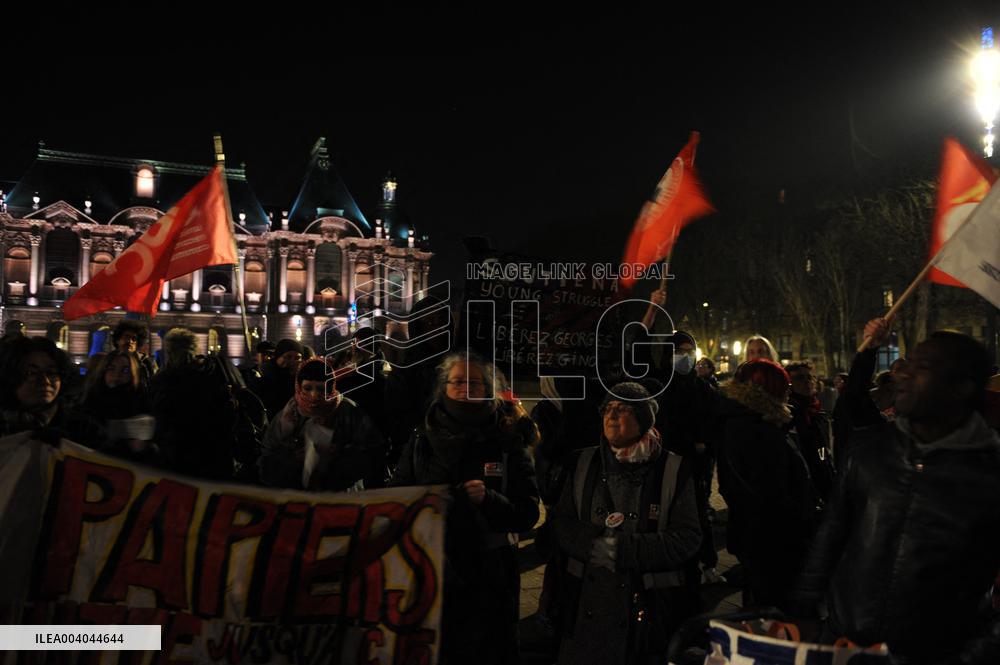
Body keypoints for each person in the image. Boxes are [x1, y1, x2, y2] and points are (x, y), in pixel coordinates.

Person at [794, 321, 1000, 662]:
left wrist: (967, 655)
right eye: (907, 362)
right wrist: (803, 615)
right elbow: (831, 536)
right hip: (842, 644)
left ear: (960, 388)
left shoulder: (989, 476)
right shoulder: (869, 450)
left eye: (923, 366)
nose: (902, 373)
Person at [391, 352, 539, 665]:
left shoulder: (509, 438)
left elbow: (528, 513)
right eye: (457, 381)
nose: (464, 388)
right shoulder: (423, 437)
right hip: (432, 568)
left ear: (489, 389)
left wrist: (489, 500)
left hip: (490, 573)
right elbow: (396, 497)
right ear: (443, 387)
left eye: (473, 382)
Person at [553, 381, 701, 665]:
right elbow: (563, 522)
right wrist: (594, 545)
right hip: (585, 604)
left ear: (644, 419)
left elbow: (688, 537)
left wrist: (628, 550)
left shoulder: (674, 469)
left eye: (622, 409)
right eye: (607, 408)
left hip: (649, 612)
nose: (611, 415)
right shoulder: (583, 462)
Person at [717, 359, 817, 611]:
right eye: (785, 386)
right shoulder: (757, 429)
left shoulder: (749, 421)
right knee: (771, 608)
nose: (789, 391)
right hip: (772, 539)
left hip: (759, 534)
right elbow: (772, 489)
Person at [258, 357, 385, 491]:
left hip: (342, 497)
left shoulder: (348, 411)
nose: (314, 395)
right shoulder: (287, 415)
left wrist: (336, 458)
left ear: (330, 387)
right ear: (299, 387)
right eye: (307, 388)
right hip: (295, 497)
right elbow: (268, 456)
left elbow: (373, 452)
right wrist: (294, 459)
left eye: (320, 388)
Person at [148, 328, 237, 480]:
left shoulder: (164, 380)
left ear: (168, 351)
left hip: (175, 457)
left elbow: (157, 418)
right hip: (212, 455)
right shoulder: (214, 373)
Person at [0, 337, 102, 446]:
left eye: (51, 372)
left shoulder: (84, 429)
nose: (45, 381)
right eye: (31, 373)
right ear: (9, 377)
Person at [82, 350, 158, 464]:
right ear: (103, 371)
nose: (117, 374)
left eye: (125, 370)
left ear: (133, 373)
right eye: (111, 368)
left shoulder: (142, 404)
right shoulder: (89, 401)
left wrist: (144, 447)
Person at [786, 361, 835, 501]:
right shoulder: (788, 414)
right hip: (800, 485)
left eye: (810, 377)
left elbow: (822, 450)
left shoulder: (817, 413)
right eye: (799, 378)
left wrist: (826, 467)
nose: (806, 381)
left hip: (821, 479)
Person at [247, 338, 303, 420]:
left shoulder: (301, 382)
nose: (293, 361)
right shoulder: (262, 382)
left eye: (297, 357)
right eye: (288, 356)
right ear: (278, 358)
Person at [111, 319, 157, 387]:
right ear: (118, 339)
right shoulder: (107, 360)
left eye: (134, 339)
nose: (130, 341)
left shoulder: (145, 362)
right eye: (126, 336)